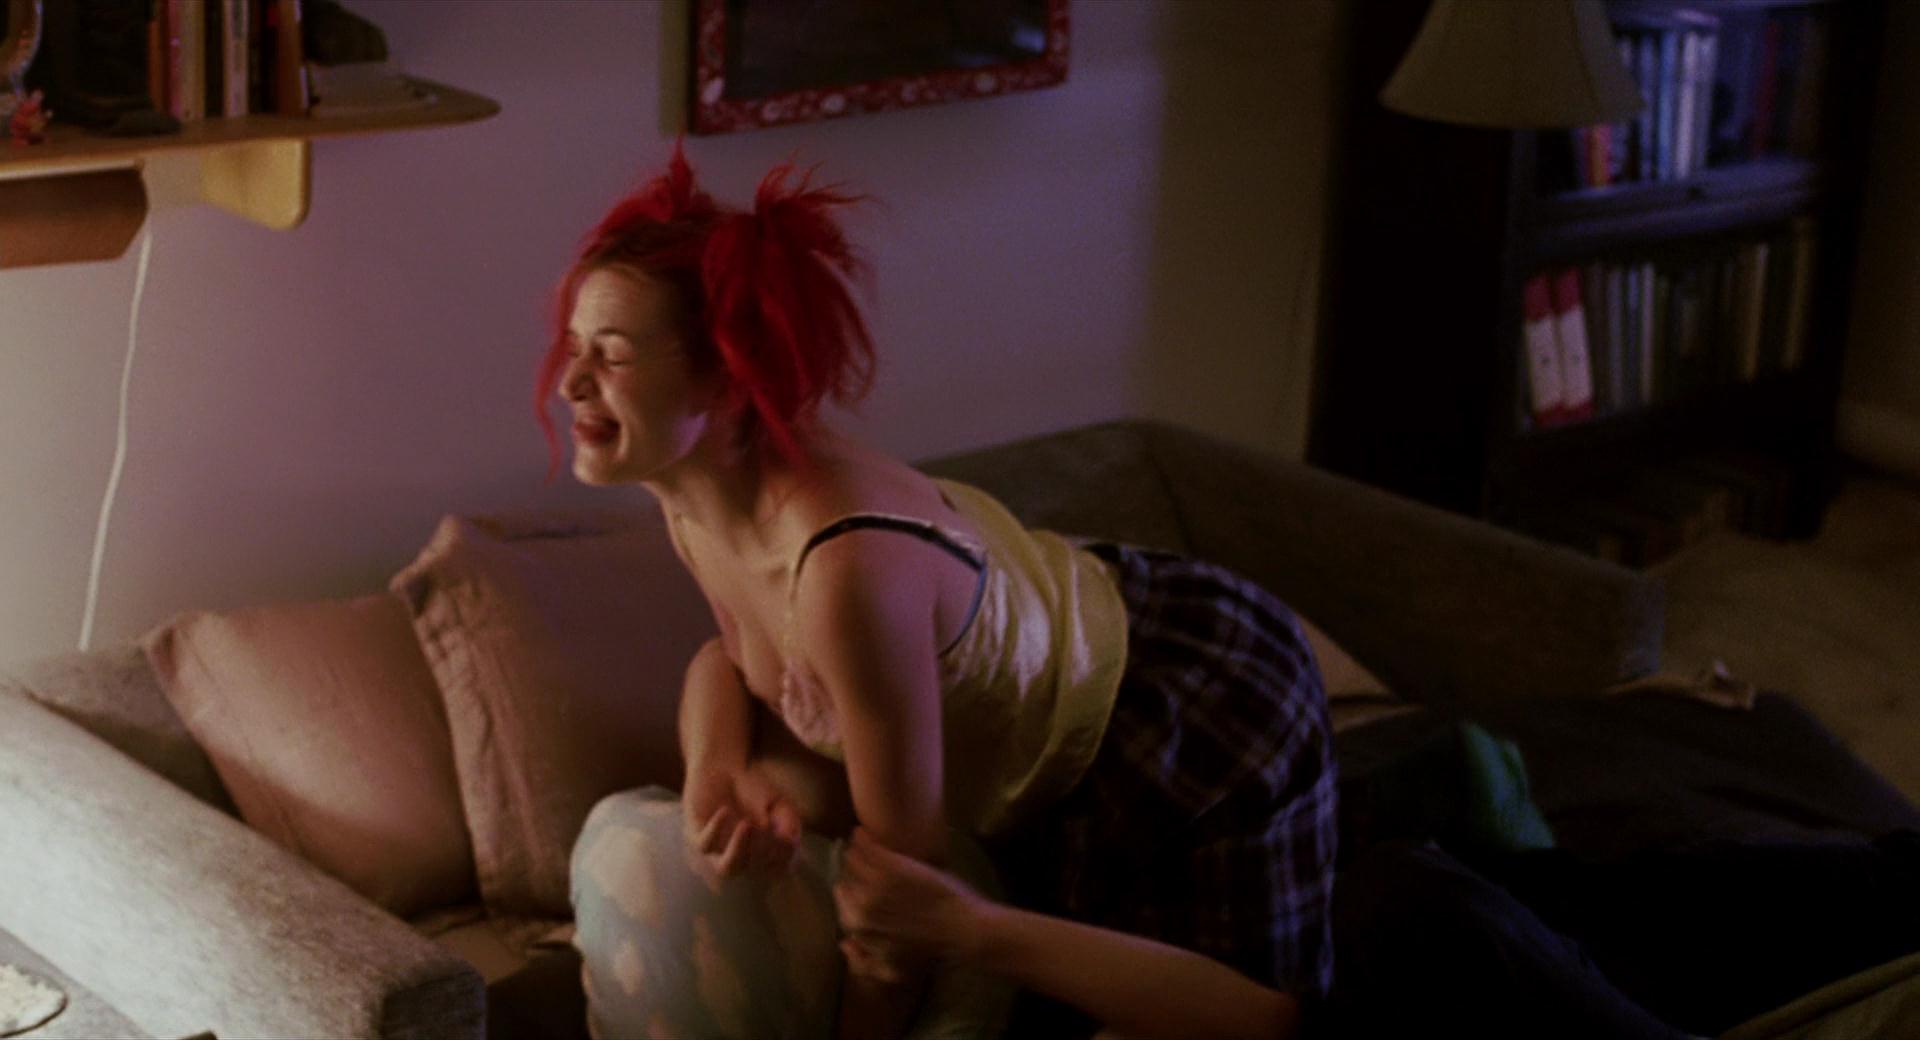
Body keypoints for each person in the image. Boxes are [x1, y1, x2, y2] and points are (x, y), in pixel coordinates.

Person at [543, 145, 1335, 1040]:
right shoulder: (693, 498)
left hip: (1186, 696)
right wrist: (714, 770)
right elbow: (730, 660)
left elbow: (901, 907)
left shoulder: (845, 570)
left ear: (729, 375)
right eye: (574, 347)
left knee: (1257, 1025)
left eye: (611, 355)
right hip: (1061, 623)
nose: (570, 382)